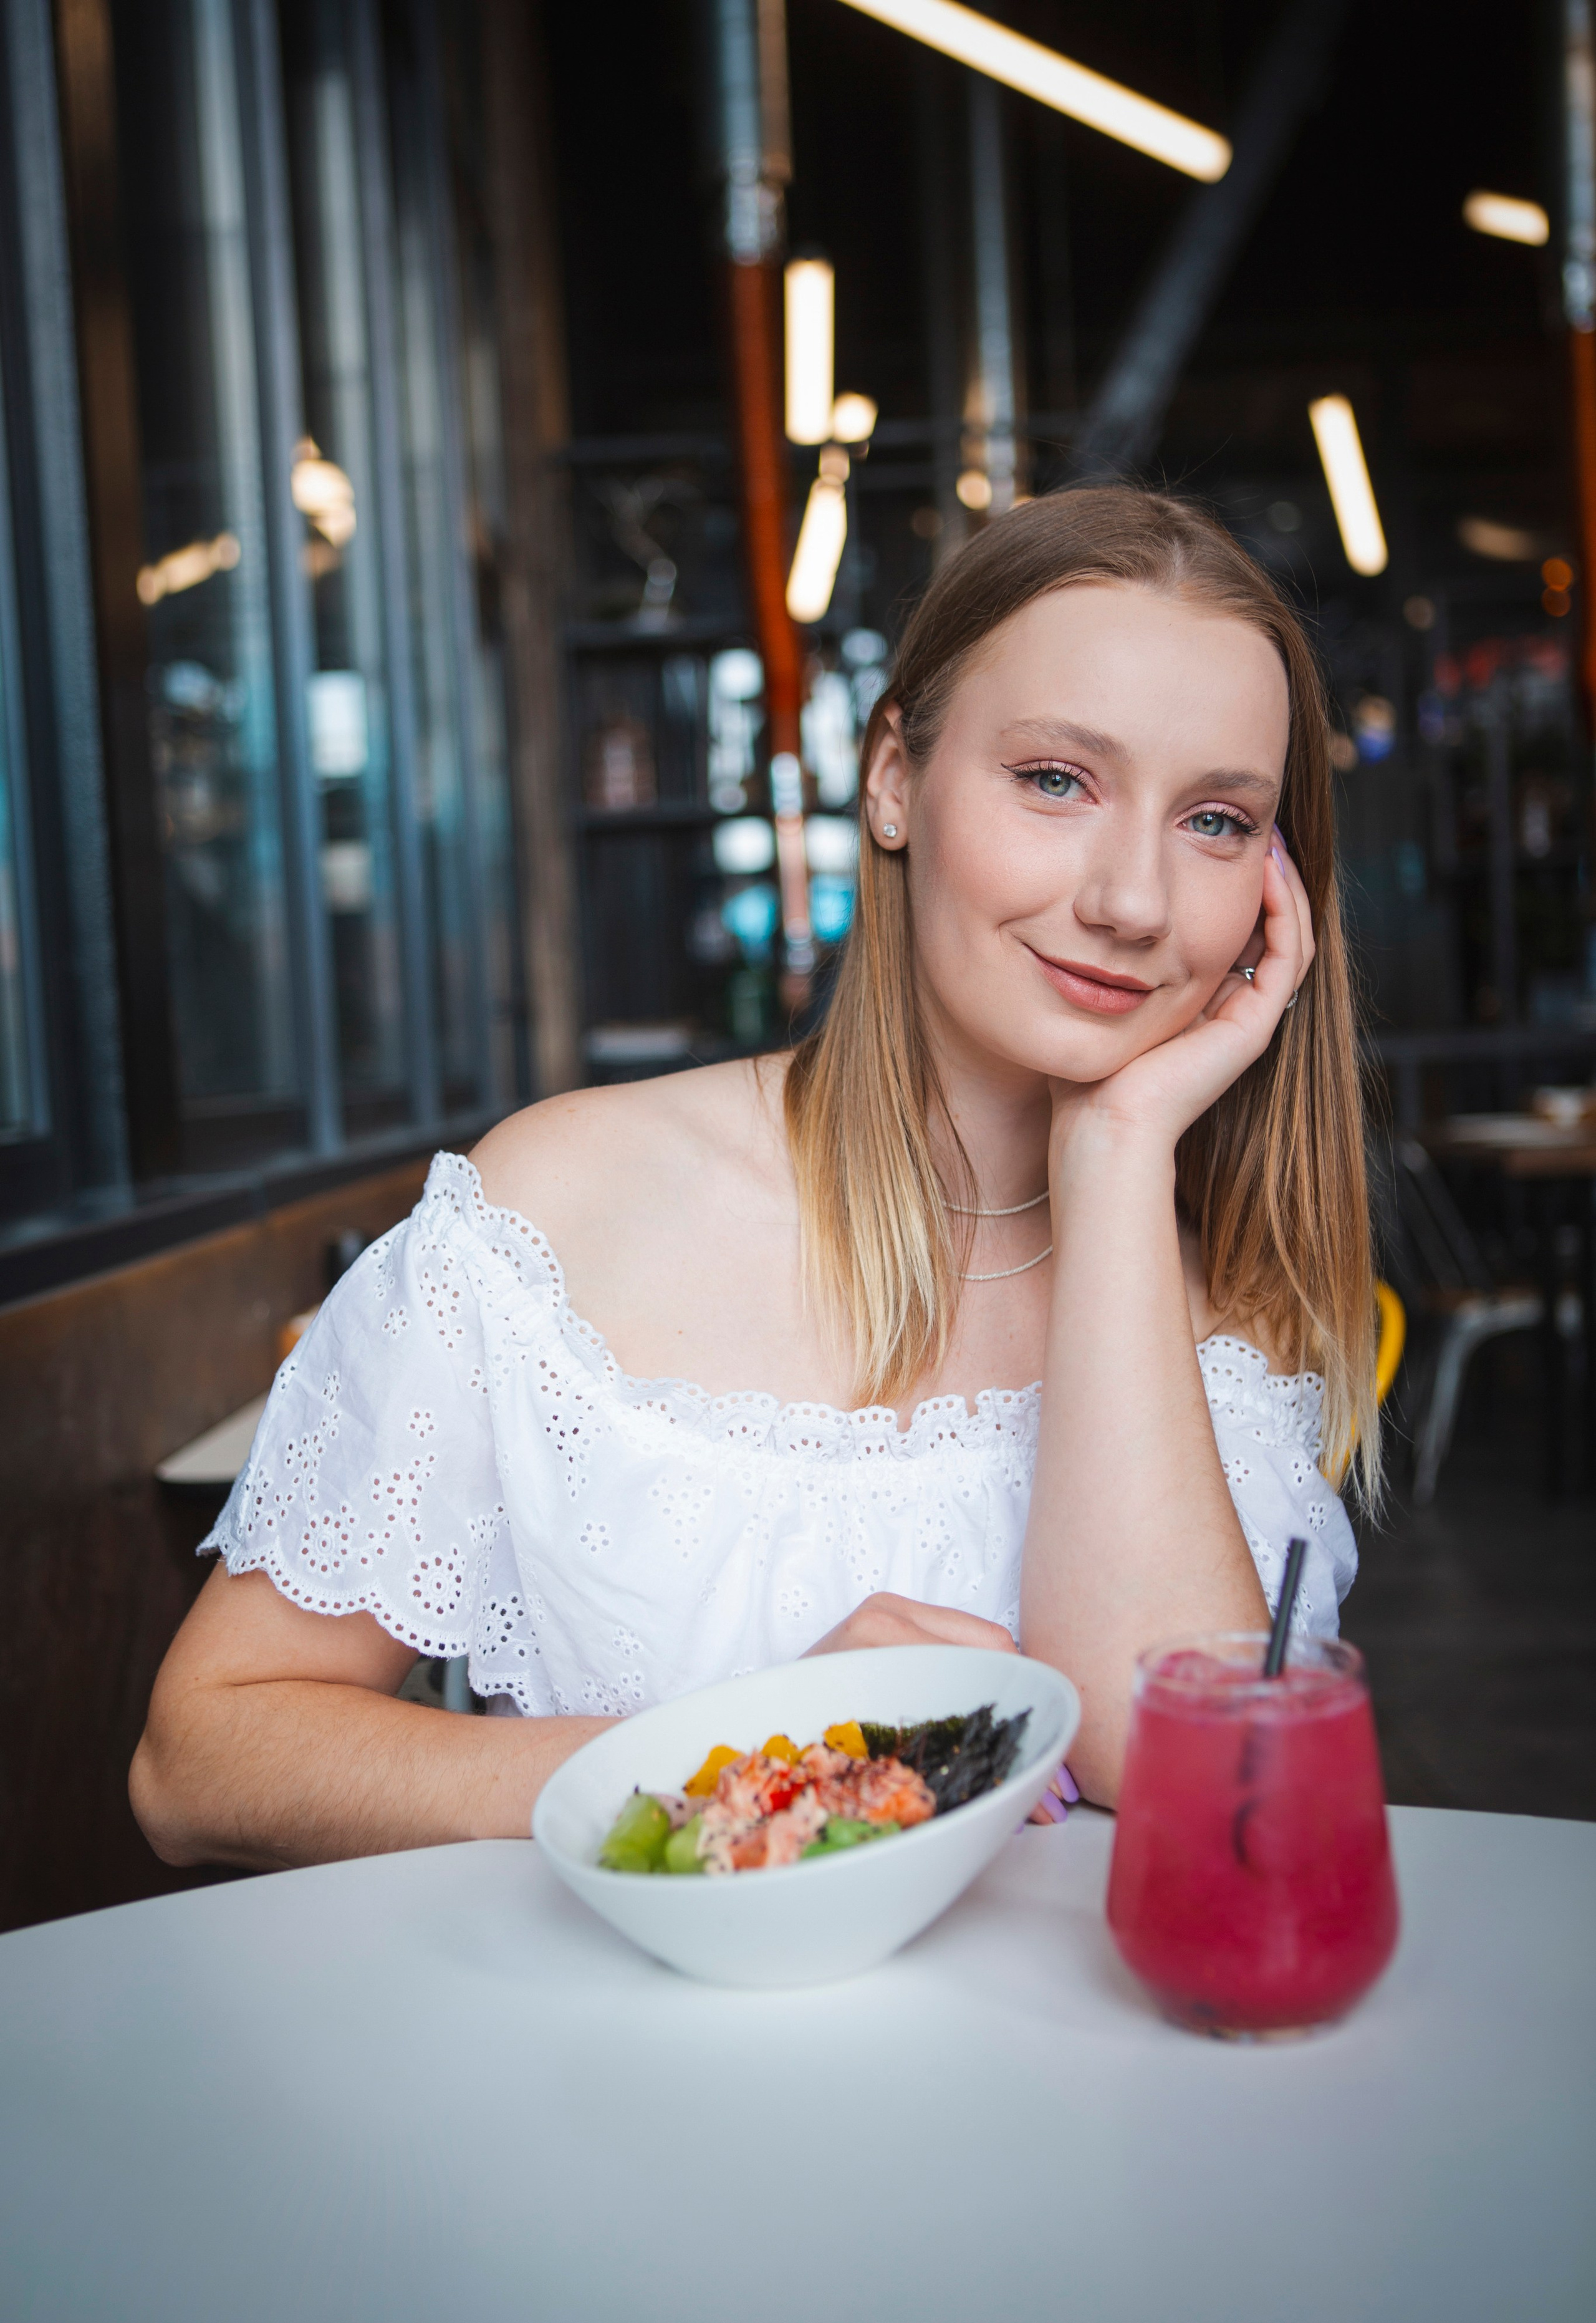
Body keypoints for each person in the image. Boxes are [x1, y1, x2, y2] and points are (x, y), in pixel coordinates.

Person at [131, 486, 1376, 1871]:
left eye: (1212, 821)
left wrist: (1117, 1146)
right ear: (895, 781)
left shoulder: (1230, 1278)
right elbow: (202, 1758)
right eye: (1053, 781)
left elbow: (1174, 1782)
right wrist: (758, 1752)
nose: (1132, 902)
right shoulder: (562, 1206)